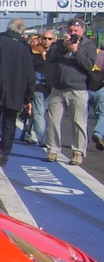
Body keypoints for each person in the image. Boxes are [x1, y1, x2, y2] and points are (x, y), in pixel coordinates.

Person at [0, 19, 35, 169]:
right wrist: (28, 97)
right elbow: (30, 74)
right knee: (9, 124)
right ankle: (4, 155)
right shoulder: (24, 47)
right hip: (16, 92)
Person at [45, 17, 97, 165]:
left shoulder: (88, 46)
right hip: (58, 89)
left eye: (76, 30)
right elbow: (50, 58)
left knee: (78, 123)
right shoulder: (60, 44)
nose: (73, 33)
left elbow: (89, 65)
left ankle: (78, 152)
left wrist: (75, 52)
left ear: (82, 31)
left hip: (78, 89)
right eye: (70, 31)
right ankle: (53, 150)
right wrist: (63, 46)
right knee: (53, 121)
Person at [23, 30, 54, 146]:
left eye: (49, 39)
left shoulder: (55, 52)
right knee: (39, 113)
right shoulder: (33, 52)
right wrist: (43, 58)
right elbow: (30, 68)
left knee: (40, 111)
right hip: (38, 86)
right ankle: (43, 139)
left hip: (51, 87)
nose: (46, 41)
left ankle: (27, 133)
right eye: (44, 38)